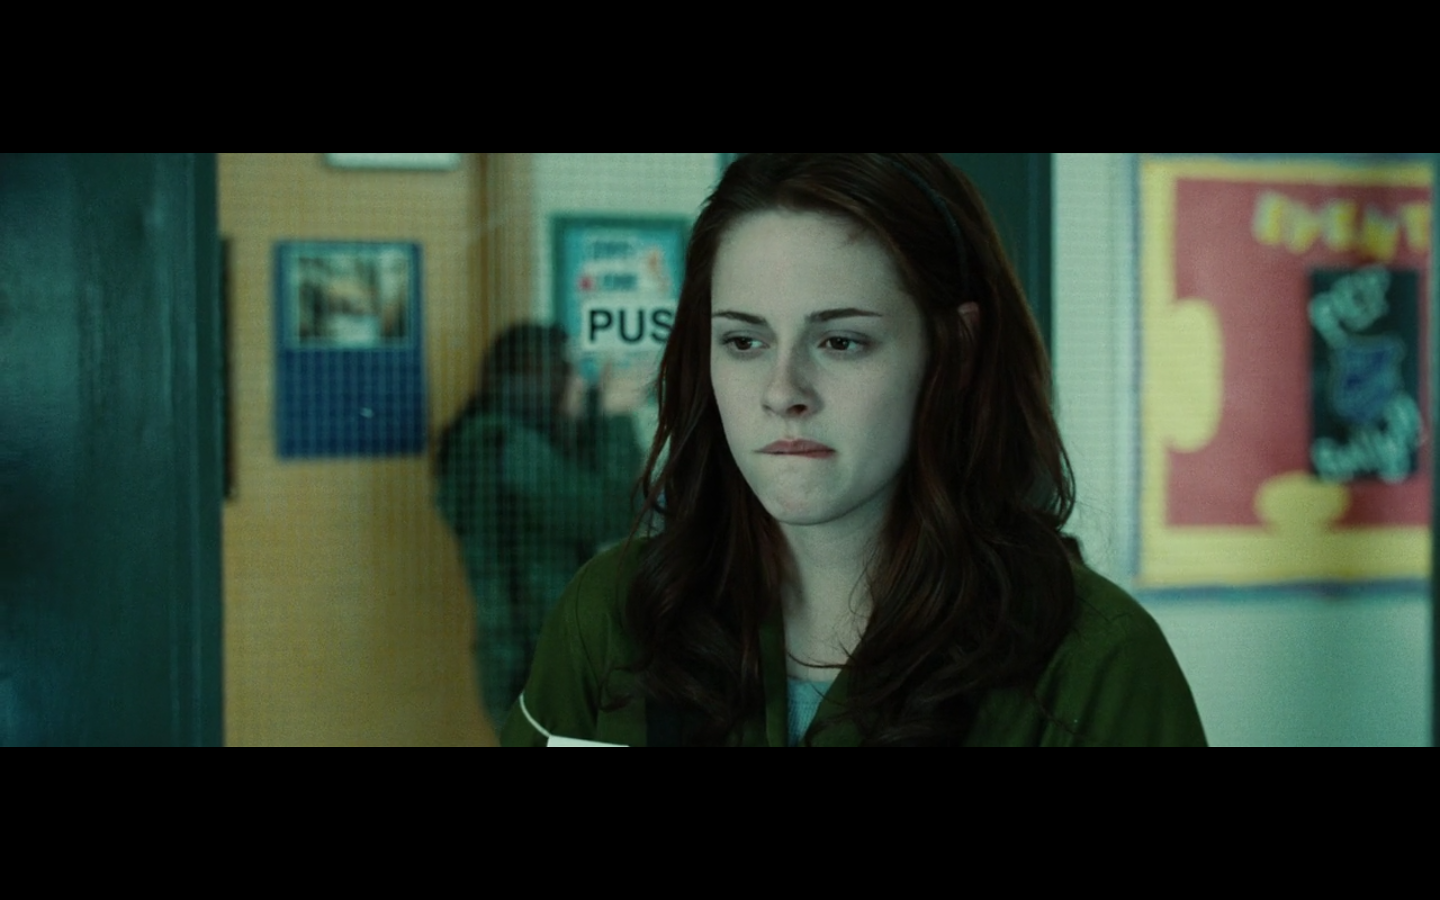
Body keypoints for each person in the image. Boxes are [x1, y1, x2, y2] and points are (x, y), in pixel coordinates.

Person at [503, 154, 1206, 746]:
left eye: (841, 341)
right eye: (744, 341)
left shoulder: (1093, 666)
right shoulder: (614, 617)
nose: (783, 391)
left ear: (956, 350)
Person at [435, 322, 645, 724]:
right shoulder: (504, 447)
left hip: (527, 656)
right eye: (567, 373)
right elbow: (609, 512)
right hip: (535, 663)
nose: (576, 385)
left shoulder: (488, 441)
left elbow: (572, 502)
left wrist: (594, 416)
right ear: (534, 377)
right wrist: (615, 418)